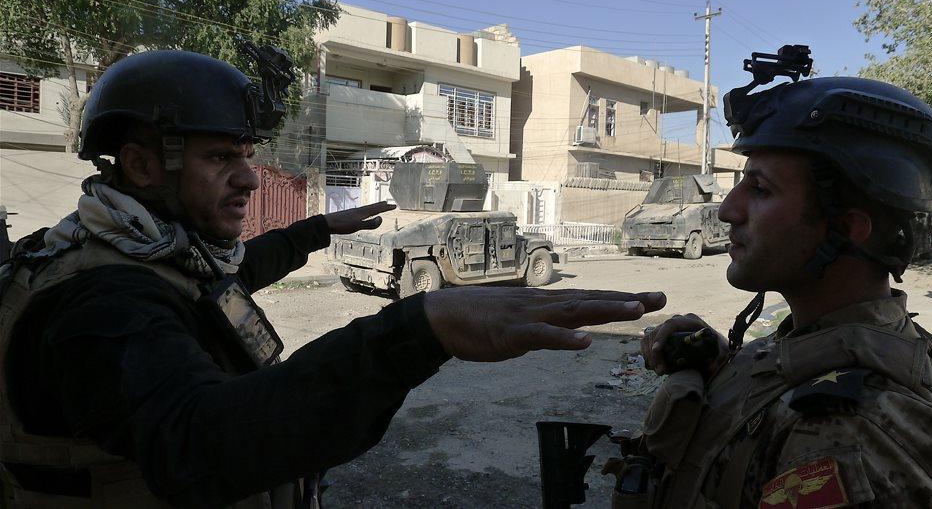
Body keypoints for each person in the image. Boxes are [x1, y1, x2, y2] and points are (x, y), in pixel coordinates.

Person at [0, 47, 666, 508]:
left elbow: (225, 286)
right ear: (143, 166)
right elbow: (198, 443)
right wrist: (419, 329)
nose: (246, 177)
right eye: (218, 157)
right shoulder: (104, 303)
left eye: (246, 155)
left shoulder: (142, 258)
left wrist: (316, 232)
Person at [614, 45, 932, 508]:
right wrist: (725, 367)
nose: (727, 210)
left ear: (847, 228)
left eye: (760, 188)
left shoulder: (853, 435)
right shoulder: (826, 342)